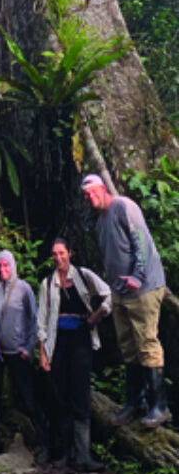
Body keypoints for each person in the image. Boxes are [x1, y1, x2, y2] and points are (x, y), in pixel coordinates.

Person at [81, 173, 170, 428]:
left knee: (147, 343)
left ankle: (159, 406)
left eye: (92, 192)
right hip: (120, 293)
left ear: (102, 188)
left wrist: (137, 275)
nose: (90, 197)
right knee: (128, 347)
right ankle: (135, 403)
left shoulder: (123, 207)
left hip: (143, 288)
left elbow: (140, 241)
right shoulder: (100, 221)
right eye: (85, 195)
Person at [37, 237, 111, 471]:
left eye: (62, 253)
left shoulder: (84, 275)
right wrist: (43, 353)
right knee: (60, 396)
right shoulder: (48, 284)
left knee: (80, 393)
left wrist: (96, 316)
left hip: (80, 339)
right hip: (58, 342)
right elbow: (41, 322)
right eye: (54, 254)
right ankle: (65, 454)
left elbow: (109, 295)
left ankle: (83, 455)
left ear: (70, 253)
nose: (58, 258)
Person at [0, 249, 48, 461]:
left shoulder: (23, 289)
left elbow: (34, 320)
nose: (2, 270)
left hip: (18, 352)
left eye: (6, 265)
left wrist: (28, 348)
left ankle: (44, 442)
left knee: (28, 397)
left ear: (13, 266)